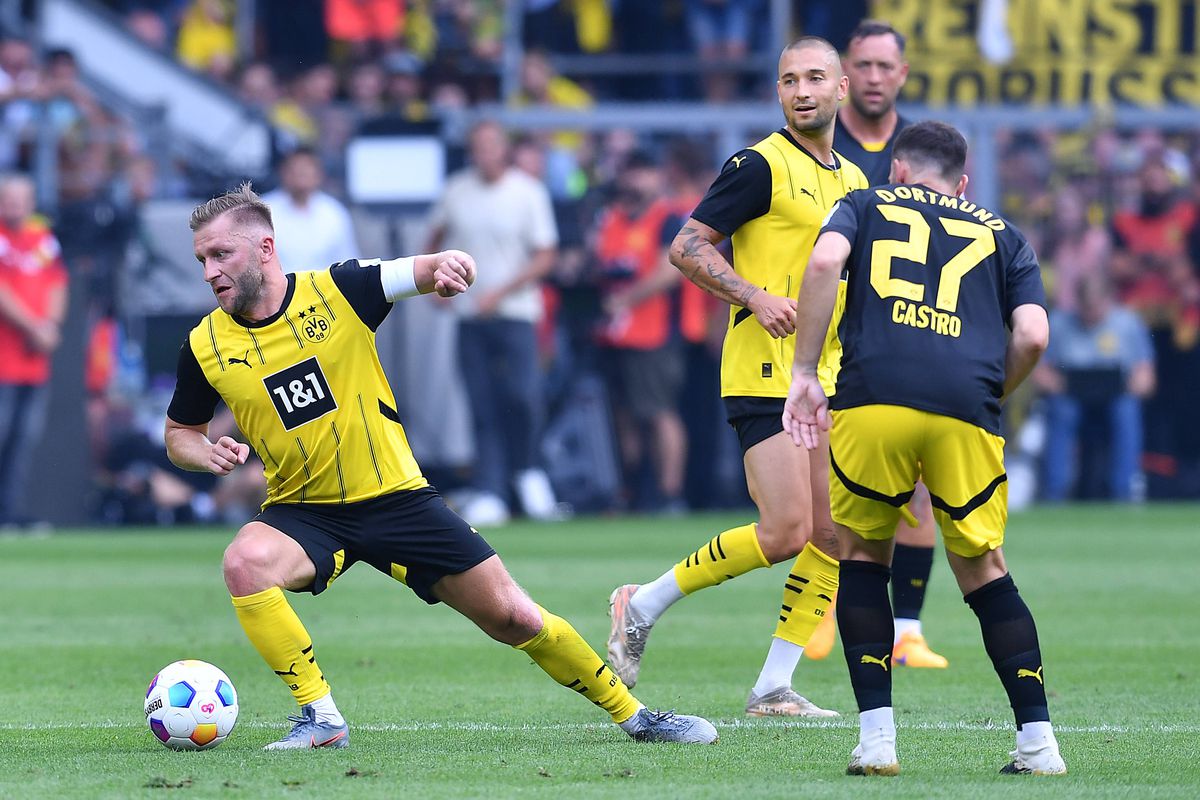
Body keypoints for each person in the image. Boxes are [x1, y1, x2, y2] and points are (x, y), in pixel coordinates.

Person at [163, 183, 718, 750]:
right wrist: (204, 454)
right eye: (202, 260)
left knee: (514, 619)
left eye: (220, 254)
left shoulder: (339, 290)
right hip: (303, 512)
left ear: (264, 248)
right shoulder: (204, 344)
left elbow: (426, 268)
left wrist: (454, 267)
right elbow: (180, 433)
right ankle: (321, 720)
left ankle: (638, 718)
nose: (210, 271)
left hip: (396, 498)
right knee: (245, 563)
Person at [782, 121, 1065, 775]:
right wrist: (991, 392)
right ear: (961, 183)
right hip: (965, 406)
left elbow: (825, 262)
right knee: (986, 570)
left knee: (860, 559)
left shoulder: (865, 203)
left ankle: (878, 743)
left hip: (874, 395)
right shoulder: (1003, 234)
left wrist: (803, 375)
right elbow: (1033, 334)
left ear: (899, 171)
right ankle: (1038, 745)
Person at [607, 36, 869, 717]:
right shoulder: (760, 166)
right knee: (785, 531)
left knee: (832, 535)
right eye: (789, 80)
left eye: (816, 78)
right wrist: (753, 295)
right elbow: (686, 245)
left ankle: (772, 687)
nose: (803, 90)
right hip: (763, 369)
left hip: (830, 376)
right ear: (778, 93)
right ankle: (645, 602)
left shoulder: (855, 182)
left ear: (843, 90)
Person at [806, 18, 948, 669]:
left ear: (902, 74)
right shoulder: (817, 145)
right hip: (828, 333)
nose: (870, 78)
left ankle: (907, 631)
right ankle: (823, 612)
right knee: (831, 488)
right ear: (844, 76)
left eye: (882, 67)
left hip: (903, 335)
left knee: (917, 484)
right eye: (860, 66)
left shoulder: (922, 151)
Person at [427, 120, 561, 526]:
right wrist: (437, 286)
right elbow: (432, 241)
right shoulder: (457, 190)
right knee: (480, 403)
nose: (485, 153)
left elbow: (545, 255)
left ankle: (529, 472)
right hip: (471, 317)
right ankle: (490, 489)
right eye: (478, 146)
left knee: (523, 395)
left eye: (491, 145)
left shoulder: (527, 191)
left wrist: (499, 292)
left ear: (503, 148)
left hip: (517, 313)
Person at [592, 152, 687, 513]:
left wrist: (627, 298)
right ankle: (633, 489)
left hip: (656, 332)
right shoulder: (612, 218)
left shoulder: (669, 217)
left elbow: (671, 267)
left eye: (644, 172)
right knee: (625, 415)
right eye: (631, 172)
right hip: (614, 335)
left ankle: (670, 494)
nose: (636, 181)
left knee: (660, 412)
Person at [1035, 273, 1154, 501]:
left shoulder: (1128, 324)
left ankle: (1123, 491)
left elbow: (1146, 377)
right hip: (1070, 396)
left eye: (1095, 307)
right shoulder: (1059, 323)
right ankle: (1055, 492)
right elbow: (1039, 371)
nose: (1090, 314)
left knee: (1126, 411)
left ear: (1109, 300)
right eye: (1086, 306)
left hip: (1115, 397)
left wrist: (1134, 383)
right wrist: (1056, 383)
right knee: (1061, 411)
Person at [0, 174, 67, 529]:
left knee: (23, 441)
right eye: (8, 199)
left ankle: (9, 512)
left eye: (20, 199)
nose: (14, 206)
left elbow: (57, 282)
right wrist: (35, 327)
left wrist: (51, 326)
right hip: (4, 358)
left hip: (32, 362)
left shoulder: (41, 238)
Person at [261, 147, 359, 272]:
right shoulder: (262, 210)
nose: (301, 176)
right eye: (296, 170)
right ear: (284, 173)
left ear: (319, 175)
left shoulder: (334, 213)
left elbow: (348, 263)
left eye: (306, 170)